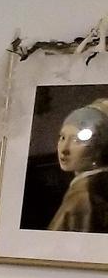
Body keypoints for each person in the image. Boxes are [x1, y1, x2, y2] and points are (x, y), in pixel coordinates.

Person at [47, 98, 108, 234]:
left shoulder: (84, 195)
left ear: (98, 147)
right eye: (62, 138)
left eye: (77, 140)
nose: (64, 149)